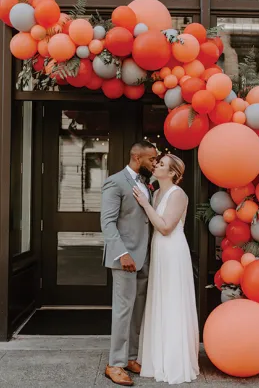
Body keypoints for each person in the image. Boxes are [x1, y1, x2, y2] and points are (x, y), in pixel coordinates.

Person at [133, 154, 200, 385]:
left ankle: (173, 361)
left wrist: (144, 203)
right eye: (158, 163)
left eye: (161, 164)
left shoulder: (177, 194)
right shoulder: (157, 193)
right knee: (160, 299)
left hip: (172, 251)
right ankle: (157, 357)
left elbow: (164, 226)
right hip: (159, 251)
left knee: (172, 300)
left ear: (172, 173)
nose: (156, 165)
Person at [101, 141, 158, 386]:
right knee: (123, 310)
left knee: (137, 310)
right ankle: (114, 364)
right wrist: (122, 253)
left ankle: (131, 357)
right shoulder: (115, 182)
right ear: (136, 157)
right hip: (125, 258)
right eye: (151, 159)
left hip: (144, 257)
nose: (154, 163)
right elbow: (107, 222)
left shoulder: (146, 184)